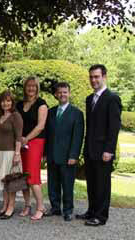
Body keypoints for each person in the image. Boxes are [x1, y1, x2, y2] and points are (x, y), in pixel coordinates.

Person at [76, 64, 122, 226]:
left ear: (104, 76)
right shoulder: (90, 99)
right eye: (91, 77)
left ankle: (101, 216)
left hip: (104, 151)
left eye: (96, 77)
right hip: (90, 150)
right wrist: (85, 149)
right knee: (92, 183)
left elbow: (114, 127)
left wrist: (109, 150)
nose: (93, 80)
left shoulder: (112, 98)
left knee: (103, 184)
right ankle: (91, 211)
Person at [44, 82, 84, 222]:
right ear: (56, 94)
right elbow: (47, 134)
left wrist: (74, 155)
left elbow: (77, 136)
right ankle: (55, 208)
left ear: (69, 93)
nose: (62, 94)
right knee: (52, 184)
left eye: (65, 92)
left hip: (68, 157)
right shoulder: (51, 112)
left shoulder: (77, 113)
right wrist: (45, 153)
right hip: (52, 155)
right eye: (59, 92)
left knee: (67, 185)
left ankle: (68, 210)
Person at [16, 76, 48, 220]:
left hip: (35, 142)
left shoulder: (41, 104)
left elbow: (40, 126)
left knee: (32, 175)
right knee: (23, 176)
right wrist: (19, 140)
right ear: (25, 87)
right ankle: (27, 205)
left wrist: (26, 139)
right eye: (28, 86)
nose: (31, 88)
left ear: (37, 88)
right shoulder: (19, 104)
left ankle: (41, 207)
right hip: (20, 143)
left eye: (33, 86)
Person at [0, 90, 23, 220]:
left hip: (10, 153)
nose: (5, 103)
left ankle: (11, 208)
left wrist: (17, 153)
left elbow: (19, 137)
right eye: (3, 101)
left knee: (11, 183)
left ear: (12, 102)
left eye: (8, 101)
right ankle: (4, 206)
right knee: (3, 183)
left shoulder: (16, 116)